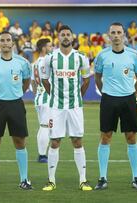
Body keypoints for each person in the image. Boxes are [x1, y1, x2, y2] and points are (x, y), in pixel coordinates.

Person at [94, 22, 137, 190]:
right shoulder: (102, 55)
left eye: (119, 32)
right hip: (109, 99)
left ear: (124, 35)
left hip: (128, 100)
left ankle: (136, 177)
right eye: (113, 32)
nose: (116, 35)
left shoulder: (133, 54)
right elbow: (98, 78)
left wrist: (132, 93)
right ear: (109, 35)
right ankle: (102, 178)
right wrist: (106, 93)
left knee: (131, 137)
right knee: (106, 136)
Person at [41, 25, 92, 191]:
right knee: (55, 141)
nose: (65, 37)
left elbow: (86, 80)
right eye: (62, 34)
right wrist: (55, 96)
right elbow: (45, 80)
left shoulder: (81, 58)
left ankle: (83, 180)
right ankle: (51, 180)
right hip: (56, 107)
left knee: (77, 140)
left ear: (72, 37)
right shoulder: (50, 58)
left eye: (68, 34)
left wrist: (77, 98)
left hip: (75, 106)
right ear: (58, 37)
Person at [0, 31, 32, 190]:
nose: (5, 43)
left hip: (16, 105)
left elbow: (26, 81)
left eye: (8, 40)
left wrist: (18, 93)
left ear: (12, 43)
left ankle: (24, 179)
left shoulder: (22, 62)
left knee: (19, 141)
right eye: (2, 40)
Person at [31, 38, 52, 163]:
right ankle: (42, 155)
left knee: (42, 126)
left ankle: (41, 153)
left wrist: (36, 95)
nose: (51, 48)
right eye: (49, 46)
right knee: (46, 127)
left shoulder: (34, 63)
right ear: (44, 48)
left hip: (39, 98)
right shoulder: (47, 61)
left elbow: (33, 83)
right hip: (47, 98)